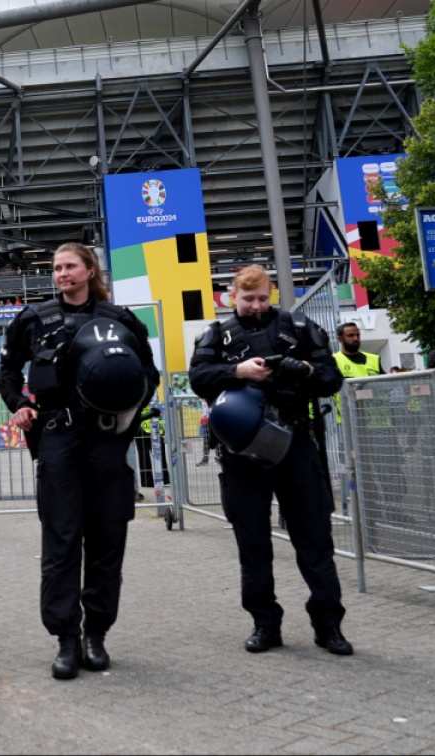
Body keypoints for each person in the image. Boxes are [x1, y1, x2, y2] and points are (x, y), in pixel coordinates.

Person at [0, 241, 159, 680]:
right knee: (61, 540)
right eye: (57, 268)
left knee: (107, 539)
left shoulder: (121, 320)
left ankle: (96, 635)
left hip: (107, 439)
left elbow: (149, 375)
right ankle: (66, 638)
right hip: (58, 437)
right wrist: (19, 405)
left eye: (70, 266)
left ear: (90, 270)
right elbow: (6, 373)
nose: (62, 274)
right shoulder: (33, 320)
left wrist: (129, 414)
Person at [187, 265, 352, 656]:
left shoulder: (300, 327)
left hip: (295, 442)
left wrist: (305, 370)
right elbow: (198, 378)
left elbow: (332, 379)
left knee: (314, 539)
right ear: (233, 297)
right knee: (253, 542)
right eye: (248, 299)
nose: (257, 306)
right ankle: (265, 624)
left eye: (263, 298)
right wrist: (237, 371)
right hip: (242, 452)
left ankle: (328, 626)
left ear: (272, 293)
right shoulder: (216, 334)